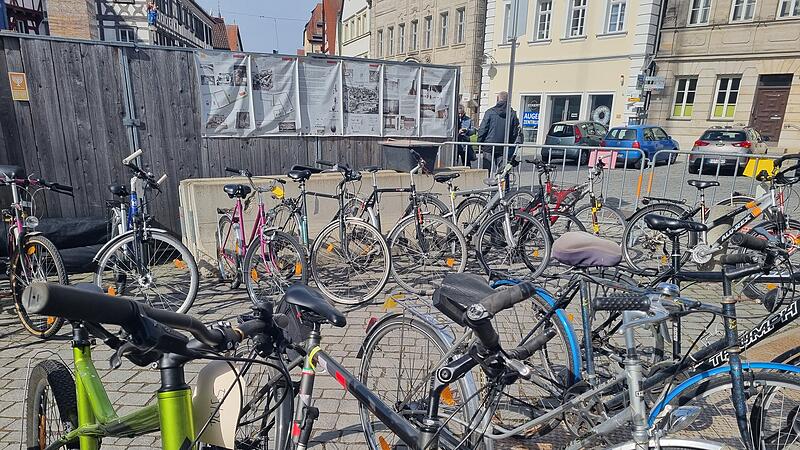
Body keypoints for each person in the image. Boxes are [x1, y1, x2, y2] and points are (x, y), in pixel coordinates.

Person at [477, 91, 522, 174]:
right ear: (508, 100)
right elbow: (514, 132)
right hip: (503, 145)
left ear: (497, 99)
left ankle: (486, 185)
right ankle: (503, 186)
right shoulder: (512, 114)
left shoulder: (490, 112)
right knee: (503, 170)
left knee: (486, 170)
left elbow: (483, 129)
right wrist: (509, 142)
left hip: (489, 145)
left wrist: (480, 142)